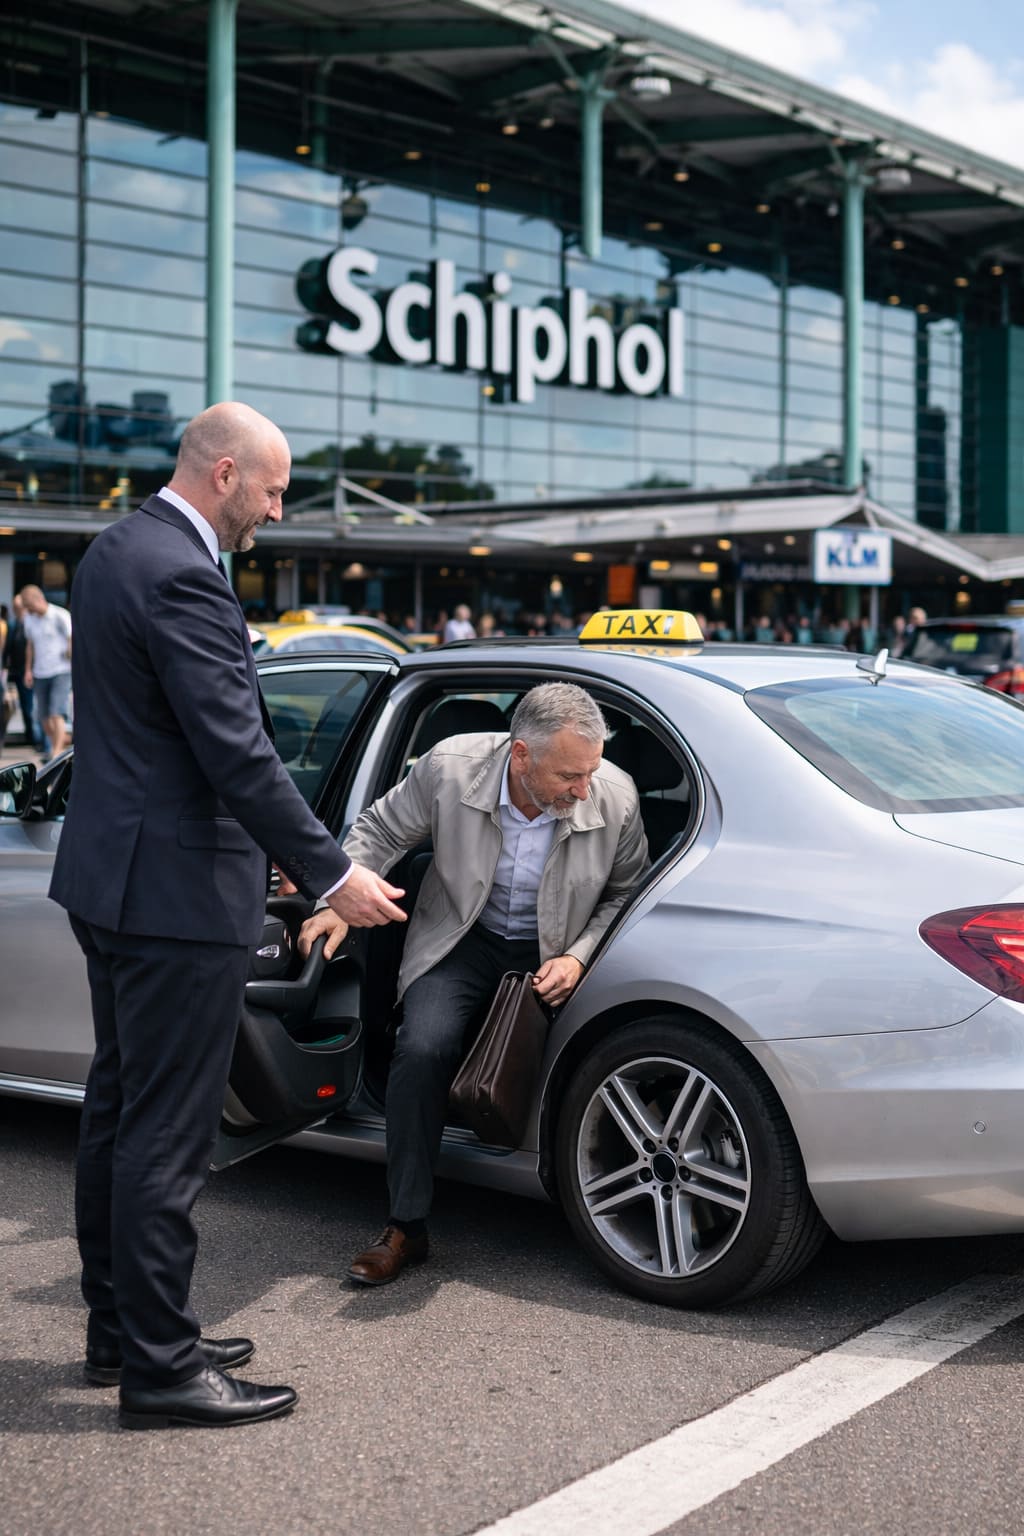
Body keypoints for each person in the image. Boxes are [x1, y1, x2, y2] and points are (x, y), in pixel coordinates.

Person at [49, 401, 407, 1431]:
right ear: (221, 473)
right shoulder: (182, 571)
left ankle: (124, 1331)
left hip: (110, 885)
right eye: (272, 487)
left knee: (119, 1119)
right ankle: (161, 1370)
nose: (277, 507)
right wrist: (332, 872)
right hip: (175, 897)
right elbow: (236, 752)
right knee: (162, 1137)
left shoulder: (116, 549)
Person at [304, 682, 650, 1287]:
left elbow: (628, 893)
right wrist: (338, 896)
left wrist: (579, 956)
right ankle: (406, 1226)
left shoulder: (614, 797)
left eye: (590, 770)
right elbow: (381, 833)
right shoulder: (448, 767)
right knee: (422, 1048)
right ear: (521, 755)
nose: (583, 788)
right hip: (461, 938)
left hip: (556, 951)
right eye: (570, 774)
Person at [20, 583, 72, 763]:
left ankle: (56, 754)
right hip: (40, 672)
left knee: (55, 712)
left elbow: (71, 636)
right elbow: (30, 646)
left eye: (30, 606)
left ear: (39, 599)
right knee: (42, 716)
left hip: (61, 670)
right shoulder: (29, 619)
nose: (29, 610)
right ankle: (62, 742)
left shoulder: (60, 615)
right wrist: (28, 670)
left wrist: (70, 650)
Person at [2, 594, 45, 750]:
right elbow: (7, 649)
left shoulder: (33, 623)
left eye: (20, 607)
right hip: (18, 671)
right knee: (25, 706)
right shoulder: (13, 625)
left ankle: (37, 738)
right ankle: (31, 735)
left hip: (34, 672)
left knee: (33, 707)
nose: (18, 609)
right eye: (16, 607)